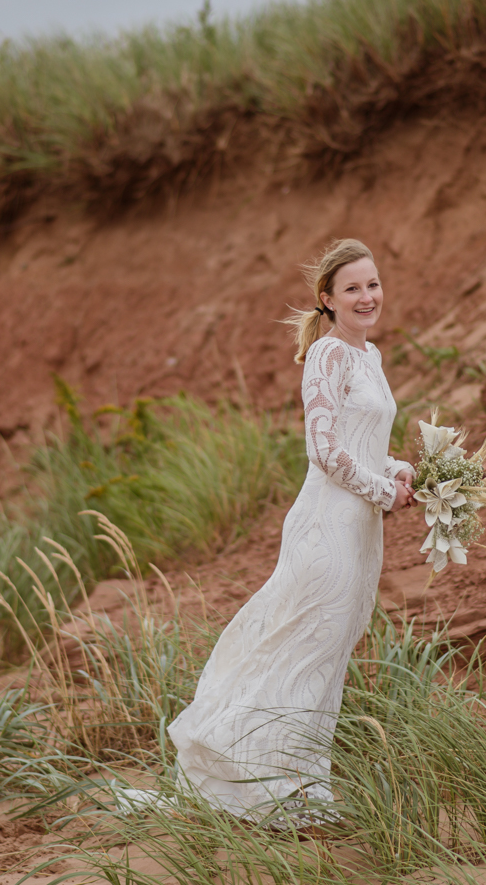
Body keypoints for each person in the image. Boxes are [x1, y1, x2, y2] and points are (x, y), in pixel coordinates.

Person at [166, 238, 414, 819]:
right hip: (326, 529)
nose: (367, 296)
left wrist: (400, 468)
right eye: (352, 288)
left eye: (372, 284)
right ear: (327, 299)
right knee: (304, 650)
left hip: (360, 532)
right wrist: (384, 491)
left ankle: (300, 787)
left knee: (327, 658)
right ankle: (261, 790)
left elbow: (362, 443)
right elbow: (324, 450)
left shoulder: (369, 356)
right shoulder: (328, 356)